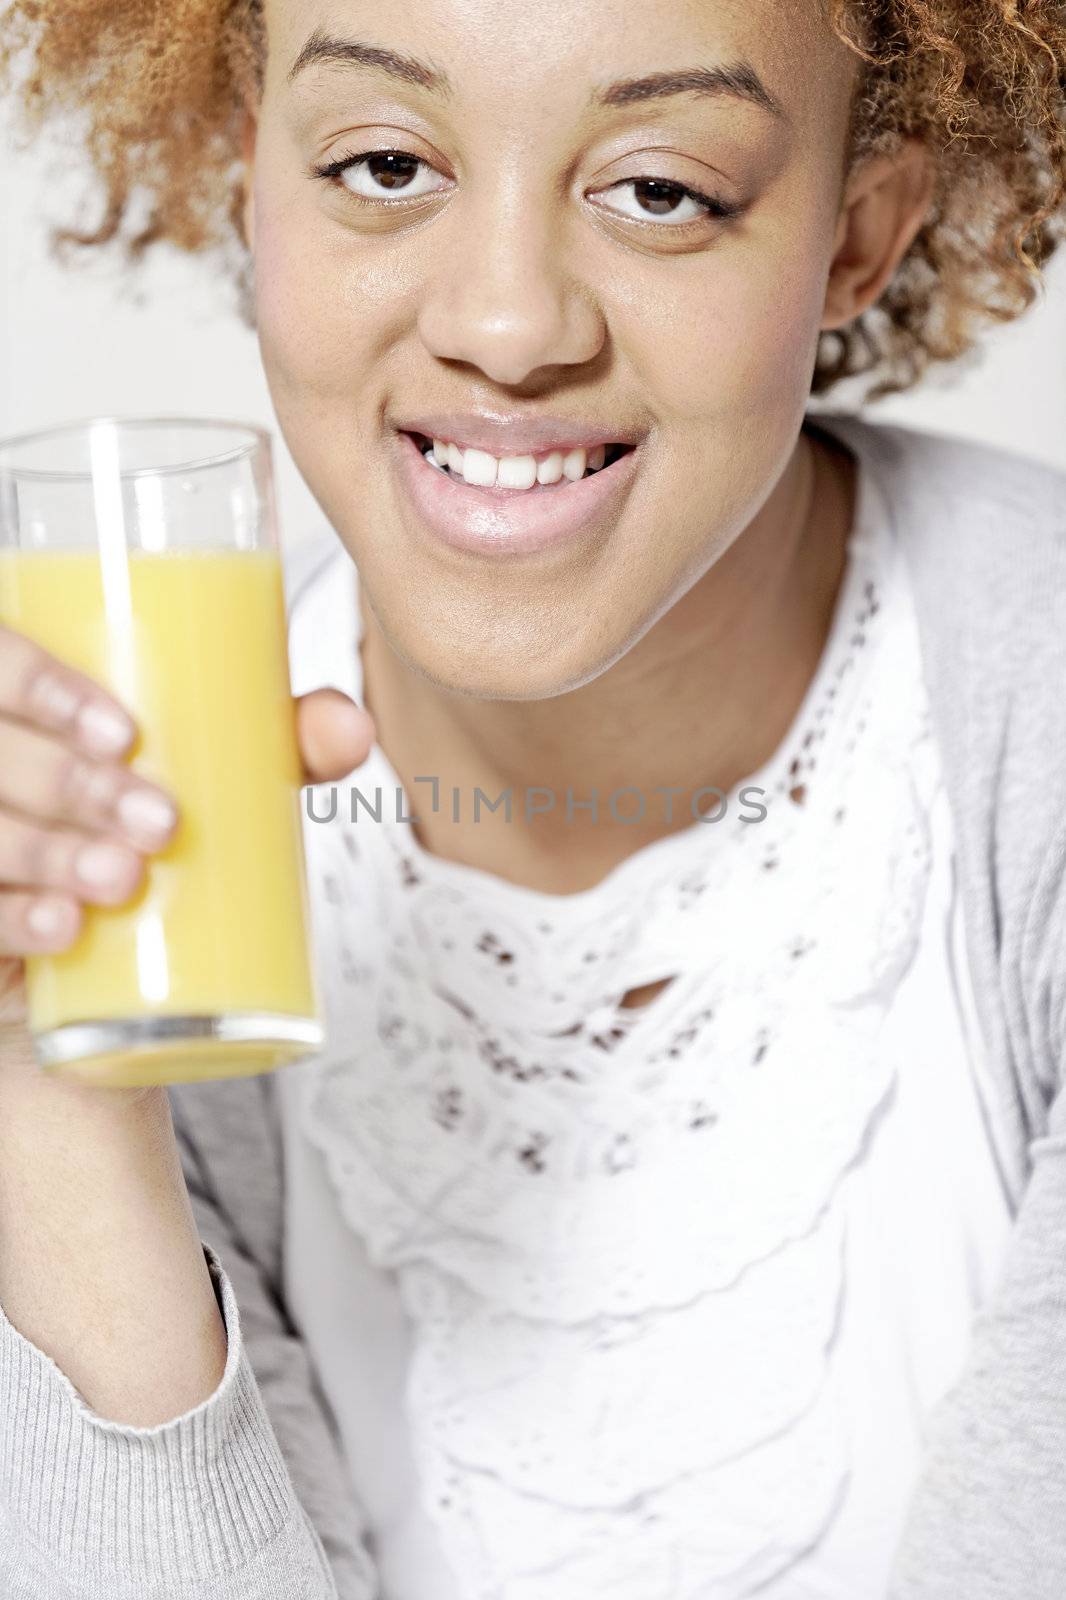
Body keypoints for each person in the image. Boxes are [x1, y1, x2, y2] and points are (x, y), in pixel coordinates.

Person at [1, 1, 1066, 1596]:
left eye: (658, 189)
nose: (506, 325)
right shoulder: (135, 815)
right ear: (247, 184)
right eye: (378, 162)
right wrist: (54, 1085)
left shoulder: (1024, 713)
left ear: (856, 240)